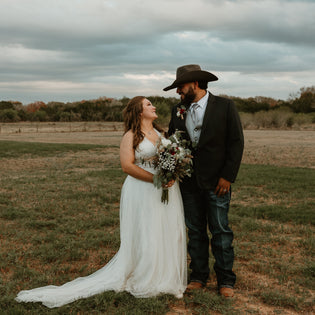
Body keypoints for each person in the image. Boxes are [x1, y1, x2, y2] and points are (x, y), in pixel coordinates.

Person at [15, 96, 187, 308]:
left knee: (165, 230)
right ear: (139, 111)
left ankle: (165, 275)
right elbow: (127, 166)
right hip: (142, 189)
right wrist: (155, 180)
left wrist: (171, 173)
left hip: (165, 189)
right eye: (148, 104)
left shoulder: (162, 134)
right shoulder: (131, 136)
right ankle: (146, 276)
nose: (153, 106)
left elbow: (170, 158)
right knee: (146, 230)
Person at [165, 64, 244, 298]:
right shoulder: (177, 110)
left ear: (195, 84)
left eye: (181, 87)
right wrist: (170, 171)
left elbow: (236, 143)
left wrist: (227, 177)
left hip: (217, 182)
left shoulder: (225, 106)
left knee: (220, 230)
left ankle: (225, 280)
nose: (178, 92)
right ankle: (199, 276)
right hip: (188, 183)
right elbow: (172, 144)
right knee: (195, 231)